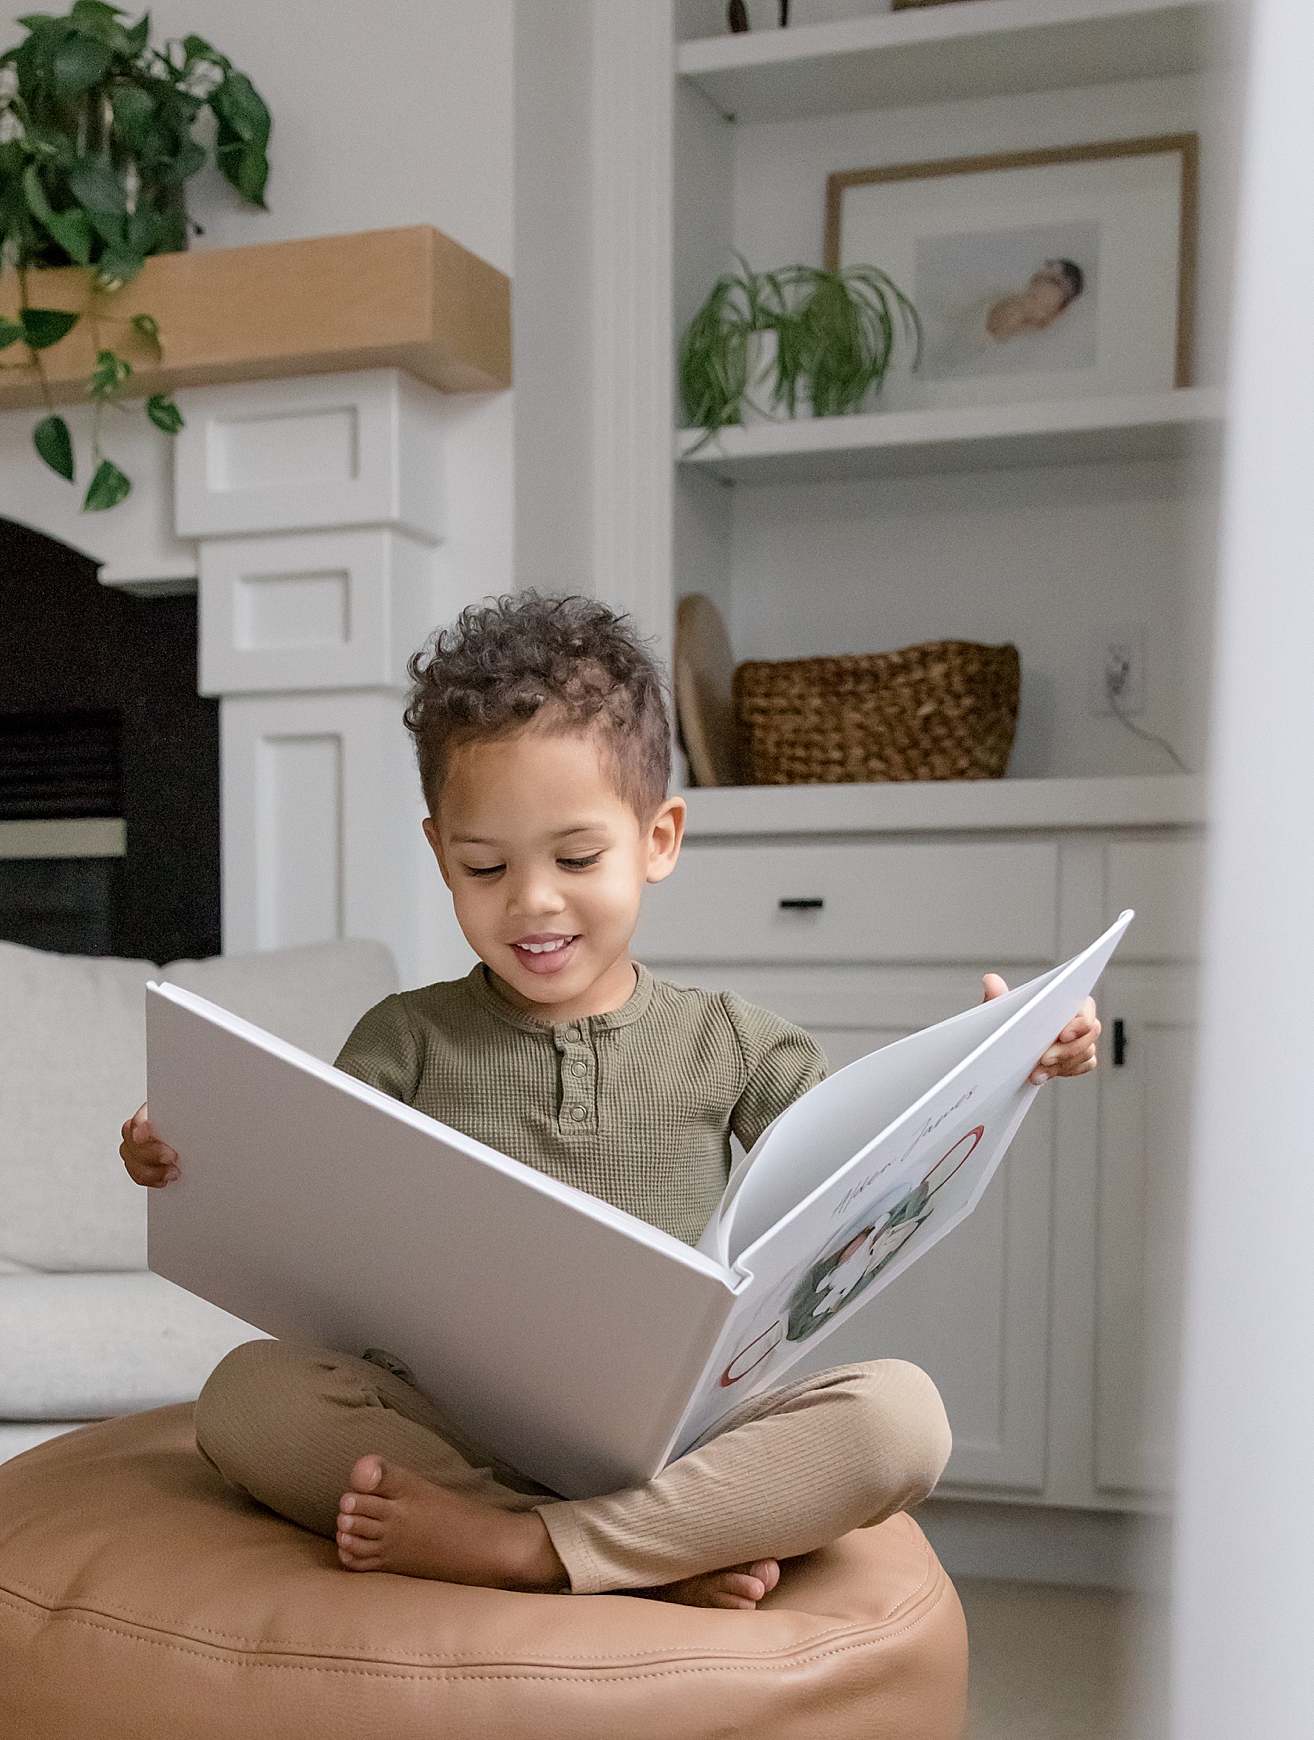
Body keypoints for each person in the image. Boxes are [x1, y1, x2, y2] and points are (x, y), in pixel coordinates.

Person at [121, 593, 1097, 1609]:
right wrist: (193, 1158)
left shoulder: (734, 1040)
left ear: (658, 838)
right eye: (483, 865)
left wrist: (1019, 1055)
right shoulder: (403, 1039)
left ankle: (527, 1547)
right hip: (457, 1419)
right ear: (438, 849)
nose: (532, 899)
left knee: (902, 1419)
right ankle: (644, 1551)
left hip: (676, 1434)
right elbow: (310, 1210)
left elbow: (872, 1167)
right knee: (246, 1395)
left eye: (576, 858)